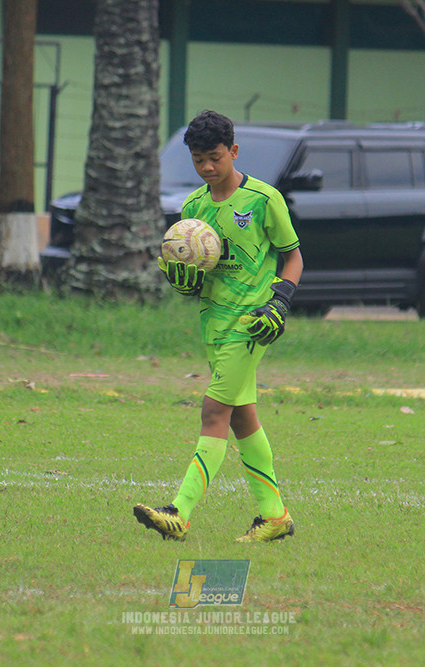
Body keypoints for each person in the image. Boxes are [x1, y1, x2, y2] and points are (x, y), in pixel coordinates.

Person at [133, 110, 303, 543]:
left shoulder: (264, 200)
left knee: (213, 412)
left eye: (215, 157)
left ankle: (178, 513)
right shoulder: (193, 209)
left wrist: (280, 300)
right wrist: (183, 279)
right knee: (243, 419)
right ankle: (274, 516)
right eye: (198, 160)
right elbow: (193, 274)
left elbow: (293, 256)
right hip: (214, 322)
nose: (207, 167)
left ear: (233, 151)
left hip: (251, 324)